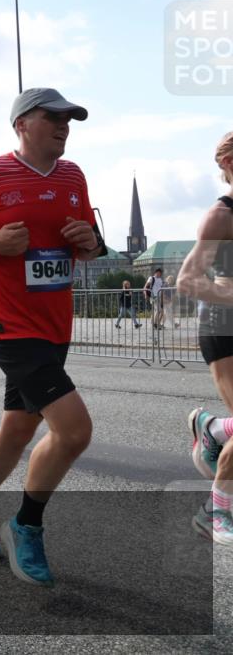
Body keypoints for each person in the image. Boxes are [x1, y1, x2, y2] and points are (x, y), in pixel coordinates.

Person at [0, 87, 104, 587]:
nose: (64, 126)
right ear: (23, 123)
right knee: (73, 431)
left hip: (55, 325)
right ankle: (25, 525)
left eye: (70, 119)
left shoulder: (73, 176)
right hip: (10, 326)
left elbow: (91, 246)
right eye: (54, 117)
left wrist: (89, 242)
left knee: (18, 429)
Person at [175, 130, 233, 546]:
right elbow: (188, 280)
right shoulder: (221, 215)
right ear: (229, 164)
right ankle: (216, 508)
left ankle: (214, 430)